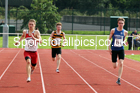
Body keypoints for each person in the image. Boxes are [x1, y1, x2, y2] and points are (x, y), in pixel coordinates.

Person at [108, 18, 128, 85]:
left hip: (121, 49)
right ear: (117, 23)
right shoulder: (113, 30)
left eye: (122, 23)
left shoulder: (125, 32)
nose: (120, 24)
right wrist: (109, 48)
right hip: (114, 49)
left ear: (124, 24)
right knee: (115, 66)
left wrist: (124, 43)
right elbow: (109, 39)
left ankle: (119, 79)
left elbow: (123, 40)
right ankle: (115, 59)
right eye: (119, 23)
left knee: (121, 63)